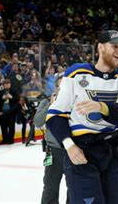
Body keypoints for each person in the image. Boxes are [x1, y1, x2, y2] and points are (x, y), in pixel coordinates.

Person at [46, 30, 118, 203]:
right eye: (115, 46)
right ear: (101, 47)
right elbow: (55, 115)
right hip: (82, 151)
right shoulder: (76, 74)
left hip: (111, 151)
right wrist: (70, 146)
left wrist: (101, 107)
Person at [34, 76, 69, 204]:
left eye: (64, 87)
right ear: (55, 88)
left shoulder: (74, 103)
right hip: (52, 151)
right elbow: (37, 122)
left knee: (74, 187)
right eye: (59, 86)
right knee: (50, 186)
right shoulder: (46, 102)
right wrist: (51, 104)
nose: (62, 89)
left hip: (72, 151)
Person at [0, 79, 19, 144]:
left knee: (11, 126)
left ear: (10, 84)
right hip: (2, 112)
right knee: (3, 127)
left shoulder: (14, 91)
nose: (7, 85)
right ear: (3, 85)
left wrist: (11, 97)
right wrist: (2, 98)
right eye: (5, 84)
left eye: (8, 84)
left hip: (11, 112)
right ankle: (5, 139)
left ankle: (11, 140)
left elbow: (17, 100)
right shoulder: (1, 92)